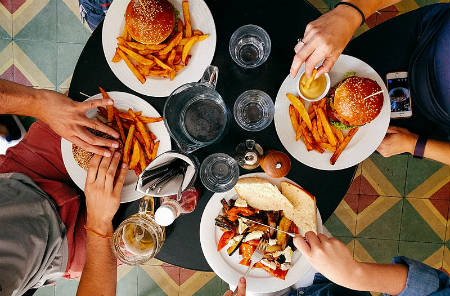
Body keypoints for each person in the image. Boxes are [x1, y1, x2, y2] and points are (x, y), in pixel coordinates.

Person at [0, 79, 122, 295]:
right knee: (158, 216)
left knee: (100, 100)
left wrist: (37, 103)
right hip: (64, 250)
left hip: (22, 174)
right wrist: (99, 224)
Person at [290, 1, 450, 165]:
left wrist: (414, 145)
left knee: (373, 136)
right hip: (421, 34)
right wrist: (348, 14)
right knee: (349, 55)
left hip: (428, 117)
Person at [223, 232, 450, 296]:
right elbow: (435, 287)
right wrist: (355, 274)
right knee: (307, 234)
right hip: (335, 284)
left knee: (243, 277)